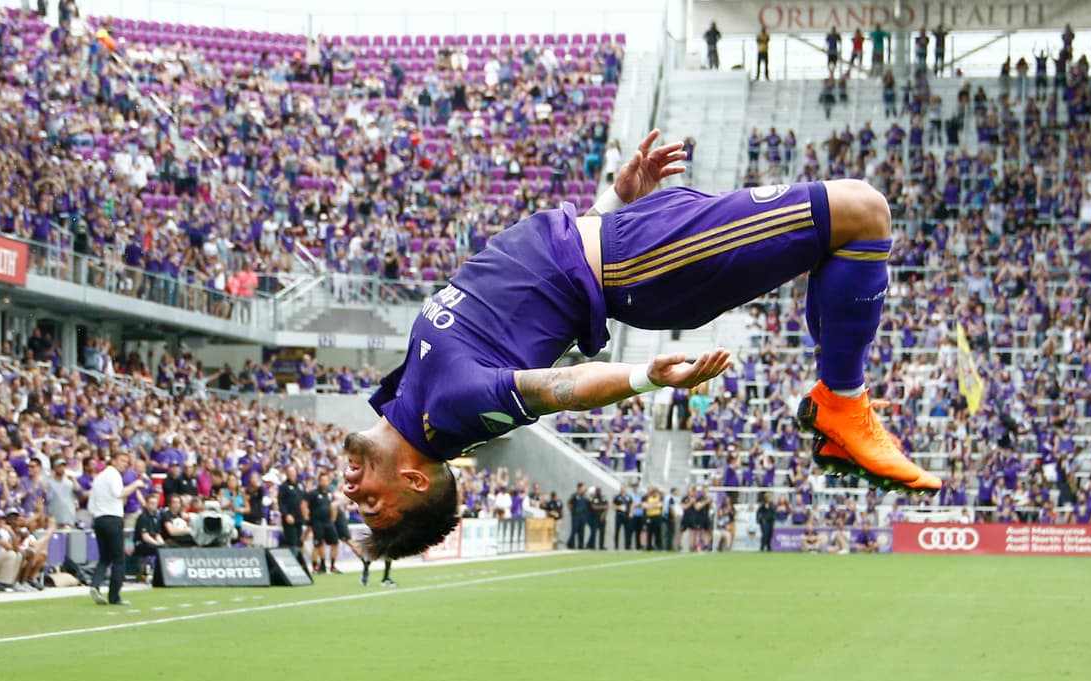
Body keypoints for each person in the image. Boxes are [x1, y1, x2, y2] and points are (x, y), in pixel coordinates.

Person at [341, 131, 941, 559]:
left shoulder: (405, 398)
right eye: (369, 506)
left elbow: (526, 304)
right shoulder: (449, 411)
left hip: (627, 235)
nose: (351, 492)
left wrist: (610, 205)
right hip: (648, 262)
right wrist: (646, 377)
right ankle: (841, 403)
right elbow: (558, 388)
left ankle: (838, 405)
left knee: (843, 227)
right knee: (863, 210)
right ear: (415, 483)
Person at [88, 450, 146, 606]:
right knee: (119, 559)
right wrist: (135, 484)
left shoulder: (99, 477)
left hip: (99, 519)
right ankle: (115, 596)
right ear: (113, 460)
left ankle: (95, 584)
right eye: (122, 460)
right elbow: (118, 493)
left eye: (126, 461)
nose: (125, 464)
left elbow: (91, 503)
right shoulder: (113, 475)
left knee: (104, 558)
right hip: (113, 518)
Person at [277, 465, 306, 552]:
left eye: (293, 472)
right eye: (289, 472)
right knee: (292, 541)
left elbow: (304, 499)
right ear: (286, 474)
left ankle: (299, 561)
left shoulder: (300, 484)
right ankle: (293, 561)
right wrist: (286, 514)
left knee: (299, 540)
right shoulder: (284, 486)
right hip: (290, 518)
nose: (291, 474)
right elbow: (281, 502)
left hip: (299, 517)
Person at [566, 481, 589, 549]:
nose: (584, 489)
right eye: (583, 487)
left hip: (583, 516)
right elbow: (569, 504)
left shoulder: (585, 496)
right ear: (579, 488)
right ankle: (571, 544)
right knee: (574, 530)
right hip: (576, 515)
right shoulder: (574, 495)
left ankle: (580, 545)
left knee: (582, 531)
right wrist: (573, 512)